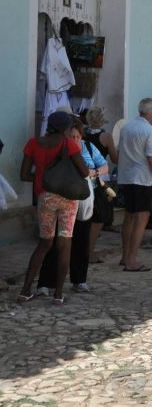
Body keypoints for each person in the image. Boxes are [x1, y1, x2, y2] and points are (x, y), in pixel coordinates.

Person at [17, 111, 89, 304]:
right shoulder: (69, 145)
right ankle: (58, 294)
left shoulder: (33, 143)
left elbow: (24, 174)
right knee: (64, 244)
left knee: (44, 244)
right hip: (68, 198)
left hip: (45, 197)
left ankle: (25, 291)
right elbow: (84, 172)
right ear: (66, 127)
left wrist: (44, 178)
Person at [37, 117, 108, 295]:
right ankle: (47, 282)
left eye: (77, 136)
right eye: (72, 136)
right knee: (55, 243)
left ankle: (79, 280)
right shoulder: (62, 148)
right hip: (63, 199)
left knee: (81, 241)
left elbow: (104, 166)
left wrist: (96, 173)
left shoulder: (88, 147)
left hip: (84, 199)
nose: (74, 139)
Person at [117, 98, 152, 272]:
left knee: (129, 216)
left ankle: (125, 256)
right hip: (143, 179)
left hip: (126, 177)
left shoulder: (126, 127)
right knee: (141, 218)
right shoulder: (150, 131)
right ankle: (132, 259)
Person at [83, 106, 118, 263]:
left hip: (83, 176)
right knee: (98, 217)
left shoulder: (82, 134)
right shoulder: (106, 137)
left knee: (84, 217)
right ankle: (89, 252)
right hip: (100, 179)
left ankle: (82, 250)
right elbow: (115, 158)